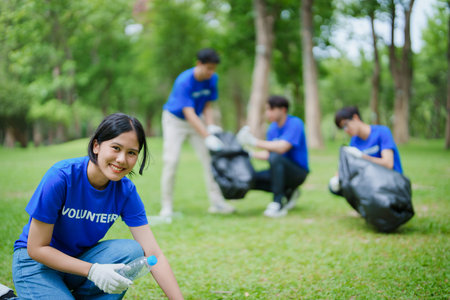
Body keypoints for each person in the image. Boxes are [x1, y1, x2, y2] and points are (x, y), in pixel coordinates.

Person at [12, 113, 183, 299]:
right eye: (116, 148)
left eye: (131, 153)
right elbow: (36, 248)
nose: (122, 159)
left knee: (132, 251)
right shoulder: (61, 177)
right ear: (96, 146)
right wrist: (92, 270)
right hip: (37, 264)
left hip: (78, 262)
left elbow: (153, 254)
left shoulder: (125, 191)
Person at [160, 48, 235, 217]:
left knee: (210, 160)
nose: (211, 72)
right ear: (198, 64)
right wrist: (207, 136)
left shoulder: (212, 79)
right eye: (208, 68)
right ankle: (167, 206)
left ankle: (217, 203)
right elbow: (188, 112)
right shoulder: (184, 81)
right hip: (175, 121)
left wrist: (211, 127)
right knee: (171, 161)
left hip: (197, 120)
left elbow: (208, 106)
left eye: (214, 69)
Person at [236, 95, 309, 218]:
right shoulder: (272, 128)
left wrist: (254, 141)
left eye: (271, 109)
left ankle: (278, 202)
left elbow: (282, 148)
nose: (267, 113)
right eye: (266, 110)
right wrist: (249, 153)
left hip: (297, 173)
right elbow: (268, 154)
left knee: (276, 156)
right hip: (278, 170)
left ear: (283, 110)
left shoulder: (295, 123)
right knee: (251, 178)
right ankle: (288, 192)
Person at [329, 106, 404, 194]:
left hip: (392, 184)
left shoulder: (382, 132)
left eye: (346, 124)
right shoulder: (354, 142)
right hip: (372, 186)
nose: (346, 130)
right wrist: (338, 177)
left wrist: (362, 156)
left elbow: (388, 164)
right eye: (343, 128)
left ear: (355, 117)